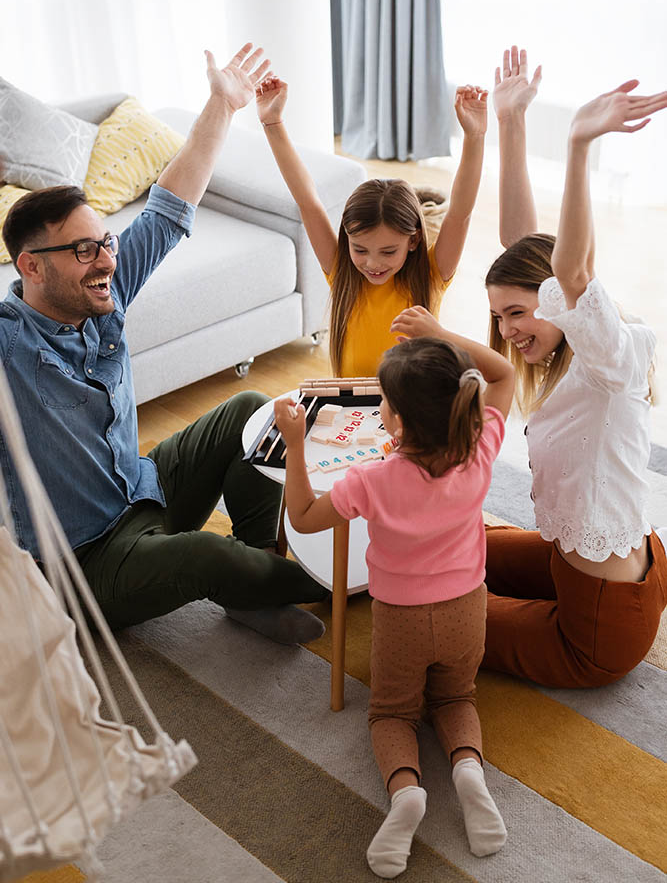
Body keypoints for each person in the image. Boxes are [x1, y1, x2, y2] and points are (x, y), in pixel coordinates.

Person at [0, 43, 328, 644]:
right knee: (206, 555)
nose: (105, 259)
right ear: (31, 267)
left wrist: (223, 106)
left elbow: (169, 210)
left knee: (251, 410)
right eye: (83, 250)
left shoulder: (104, 285)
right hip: (86, 567)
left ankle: (250, 584)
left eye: (105, 241)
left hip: (144, 490)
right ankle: (355, 577)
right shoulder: (7, 345)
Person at [274, 330, 514, 877]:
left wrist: (293, 443)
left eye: (385, 400)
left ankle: (407, 794)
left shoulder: (372, 480)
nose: (381, 405)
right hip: (466, 609)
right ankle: (469, 775)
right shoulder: (480, 452)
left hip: (401, 619)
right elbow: (503, 374)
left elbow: (305, 516)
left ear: (399, 421)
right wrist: (441, 336)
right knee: (457, 698)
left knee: (392, 713)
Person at [470, 47, 667, 686]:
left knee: (432, 604)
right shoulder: (564, 336)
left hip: (598, 631)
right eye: (499, 318)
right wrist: (511, 123)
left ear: (555, 299)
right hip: (586, 561)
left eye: (517, 314)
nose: (508, 331)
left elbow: (569, 271)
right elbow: (522, 249)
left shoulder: (611, 355)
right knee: (458, 542)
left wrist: (580, 144)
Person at [255, 72, 487, 377]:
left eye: (388, 252)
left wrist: (474, 137)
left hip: (412, 415)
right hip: (349, 412)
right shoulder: (342, 273)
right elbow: (308, 202)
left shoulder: (431, 275)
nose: (372, 263)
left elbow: (460, 213)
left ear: (414, 240)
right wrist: (273, 124)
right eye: (360, 249)